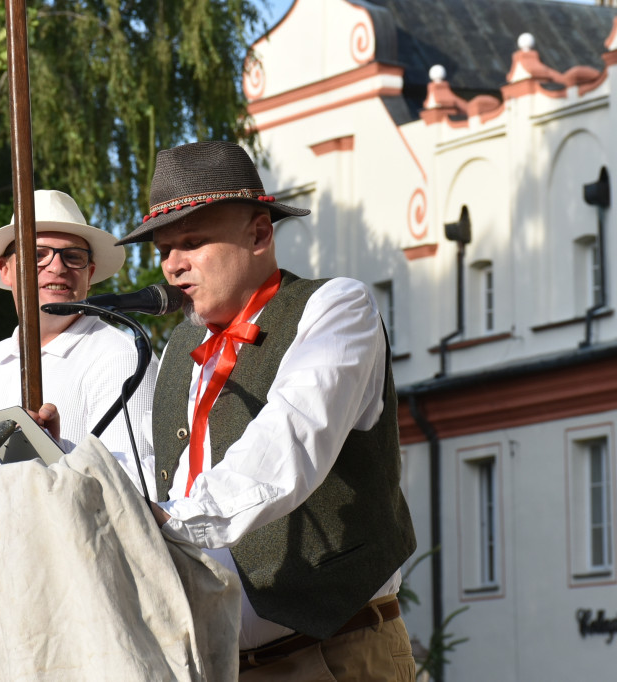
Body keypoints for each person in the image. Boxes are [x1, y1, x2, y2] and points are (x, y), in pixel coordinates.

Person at [115, 141, 418, 680]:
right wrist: (62, 456)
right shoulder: (177, 358)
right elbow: (139, 470)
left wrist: (169, 521)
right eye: (164, 250)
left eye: (192, 242)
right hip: (218, 666)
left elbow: (287, 447)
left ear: (259, 234)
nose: (173, 267)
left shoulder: (335, 308)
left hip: (335, 655)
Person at [0, 189, 159, 499]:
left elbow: (133, 487)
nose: (57, 267)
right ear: (6, 269)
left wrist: (58, 454)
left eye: (73, 256)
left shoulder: (120, 357)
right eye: (37, 254)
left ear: (89, 274)